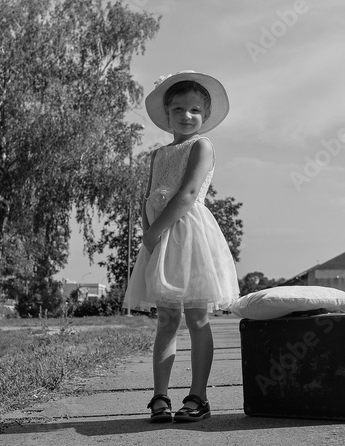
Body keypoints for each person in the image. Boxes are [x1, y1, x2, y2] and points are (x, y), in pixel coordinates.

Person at [123, 70, 239, 423]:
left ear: (204, 116)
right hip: (159, 239)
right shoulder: (157, 155)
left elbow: (187, 194)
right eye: (178, 109)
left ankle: (198, 397)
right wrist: (148, 234)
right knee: (167, 319)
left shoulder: (201, 146)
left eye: (194, 111)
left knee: (197, 317)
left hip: (189, 236)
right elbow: (149, 197)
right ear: (167, 113)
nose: (186, 116)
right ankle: (160, 396)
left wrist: (152, 232)